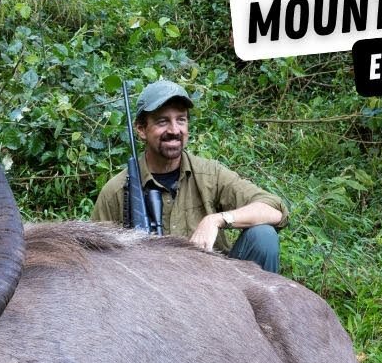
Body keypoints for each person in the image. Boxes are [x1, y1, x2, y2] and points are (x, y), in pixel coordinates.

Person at [92, 80, 288, 273]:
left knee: (263, 236)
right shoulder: (116, 192)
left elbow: (275, 209)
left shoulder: (210, 174)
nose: (174, 130)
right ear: (142, 129)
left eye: (181, 120)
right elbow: (96, 263)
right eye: (162, 121)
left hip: (216, 290)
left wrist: (216, 220)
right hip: (148, 297)